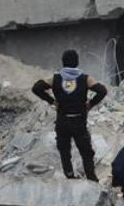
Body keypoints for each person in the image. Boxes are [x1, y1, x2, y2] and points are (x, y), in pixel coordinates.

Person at [31, 50, 108, 181]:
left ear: (63, 62)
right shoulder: (85, 78)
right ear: (77, 62)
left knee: (64, 151)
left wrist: (51, 101)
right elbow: (102, 90)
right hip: (79, 121)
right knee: (86, 152)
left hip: (62, 122)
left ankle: (70, 177)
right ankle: (91, 178)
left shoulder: (55, 78)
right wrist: (90, 104)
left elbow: (36, 88)